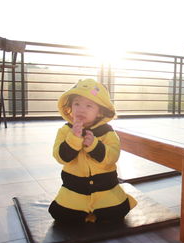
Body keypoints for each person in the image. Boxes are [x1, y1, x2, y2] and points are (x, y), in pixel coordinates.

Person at [49, 79, 137, 223]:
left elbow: (113, 156)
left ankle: (115, 204)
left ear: (100, 112)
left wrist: (95, 146)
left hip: (105, 188)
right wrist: (74, 138)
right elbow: (60, 157)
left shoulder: (108, 132)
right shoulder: (65, 131)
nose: (81, 109)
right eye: (76, 104)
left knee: (117, 213)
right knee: (60, 214)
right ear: (70, 107)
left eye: (89, 105)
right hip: (74, 189)